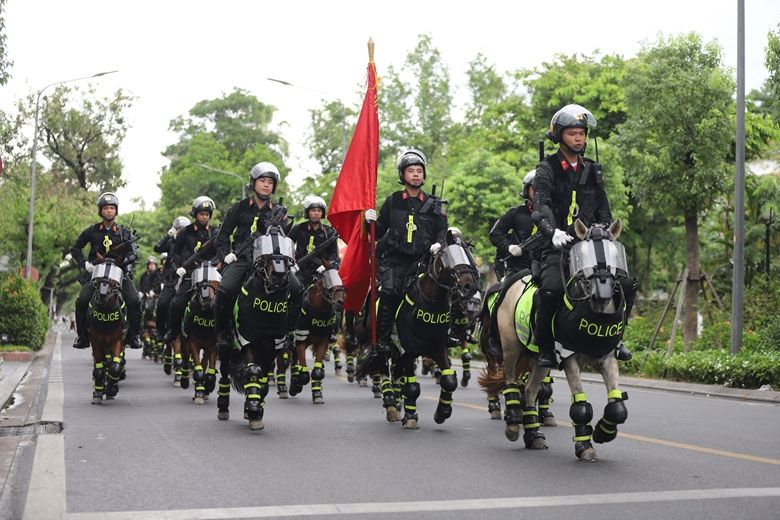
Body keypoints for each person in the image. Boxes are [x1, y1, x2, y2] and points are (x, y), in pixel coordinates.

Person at [531, 104, 637, 368]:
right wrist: (552, 231)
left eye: (582, 133)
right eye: (572, 133)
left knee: (625, 284)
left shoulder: (593, 169)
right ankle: (545, 346)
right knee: (551, 290)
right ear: (559, 136)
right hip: (558, 244)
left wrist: (602, 231)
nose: (579, 138)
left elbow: (603, 207)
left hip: (590, 245)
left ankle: (617, 340)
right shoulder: (547, 169)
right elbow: (540, 206)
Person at [365, 148, 448, 351]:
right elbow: (378, 231)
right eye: (411, 170)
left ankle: (448, 334)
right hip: (396, 261)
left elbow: (442, 229)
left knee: (447, 289)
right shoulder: (393, 201)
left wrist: (439, 243)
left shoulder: (434, 204)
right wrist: (369, 222)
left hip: (423, 261)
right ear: (403, 174)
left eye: (419, 170)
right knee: (389, 293)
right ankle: (383, 339)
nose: (416, 174)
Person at [214, 162, 302, 350]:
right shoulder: (237, 208)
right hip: (243, 259)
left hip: (269, 261)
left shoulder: (279, 211)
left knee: (297, 290)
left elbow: (285, 237)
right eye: (262, 180)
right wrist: (226, 255)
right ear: (253, 183)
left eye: (270, 182)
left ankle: (288, 333)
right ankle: (222, 333)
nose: (266, 185)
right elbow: (222, 237)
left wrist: (291, 259)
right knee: (225, 290)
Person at [69, 192, 143, 350]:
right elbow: (75, 248)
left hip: (118, 274)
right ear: (100, 211)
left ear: (116, 211)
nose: (109, 211)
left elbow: (133, 253)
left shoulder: (124, 232)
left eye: (112, 208)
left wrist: (126, 259)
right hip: (97, 274)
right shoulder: (91, 231)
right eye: (106, 208)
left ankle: (134, 336)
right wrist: (86, 264)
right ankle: (82, 337)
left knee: (135, 300)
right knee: (81, 300)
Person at [166, 196, 219, 343]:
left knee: (225, 300)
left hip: (211, 274)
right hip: (190, 274)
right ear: (195, 214)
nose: (204, 217)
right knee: (177, 303)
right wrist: (178, 268)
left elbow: (220, 252)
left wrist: (211, 263)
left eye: (207, 214)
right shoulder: (185, 232)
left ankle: (225, 333)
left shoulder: (215, 232)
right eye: (201, 214)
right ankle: (173, 330)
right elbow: (175, 253)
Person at [489, 169, 537, 280]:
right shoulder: (515, 213)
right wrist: (509, 246)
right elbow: (495, 233)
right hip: (518, 269)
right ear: (527, 190)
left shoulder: (555, 214)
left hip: (546, 266)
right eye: (535, 188)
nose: (539, 192)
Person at [287, 195, 340, 285]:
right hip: (300, 270)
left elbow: (334, 255)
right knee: (291, 290)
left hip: (322, 272)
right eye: (313, 210)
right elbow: (287, 245)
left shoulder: (329, 232)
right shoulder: (298, 228)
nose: (316, 213)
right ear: (307, 212)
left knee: (337, 290)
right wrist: (291, 263)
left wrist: (326, 266)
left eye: (319, 211)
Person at [155, 216, 190, 344]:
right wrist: (167, 236)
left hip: (188, 276)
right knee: (162, 303)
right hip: (171, 279)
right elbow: (157, 248)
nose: (181, 231)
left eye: (184, 229)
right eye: (179, 229)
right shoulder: (171, 242)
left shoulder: (191, 241)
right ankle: (161, 331)